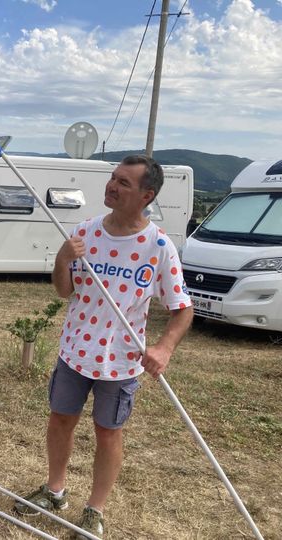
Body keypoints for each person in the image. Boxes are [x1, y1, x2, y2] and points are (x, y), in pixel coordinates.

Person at [13, 155, 193, 538]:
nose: (112, 186)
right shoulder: (86, 231)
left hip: (121, 362)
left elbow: (182, 309)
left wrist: (164, 348)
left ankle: (94, 510)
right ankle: (55, 490)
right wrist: (63, 259)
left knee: (107, 433)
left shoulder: (158, 246)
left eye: (123, 183)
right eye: (113, 179)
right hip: (74, 351)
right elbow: (65, 290)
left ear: (147, 195)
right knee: (60, 419)